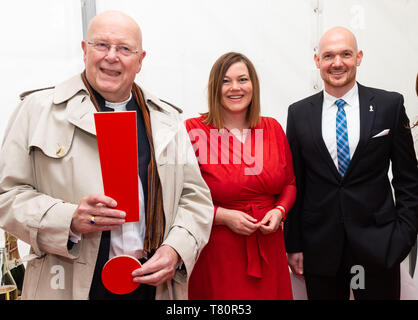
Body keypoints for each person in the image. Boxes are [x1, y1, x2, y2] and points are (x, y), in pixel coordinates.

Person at [0, 10, 213, 300]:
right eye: (101, 45)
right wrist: (68, 218)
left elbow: (194, 197)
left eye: (124, 48)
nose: (111, 56)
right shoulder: (38, 110)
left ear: (140, 60)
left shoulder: (167, 120)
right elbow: (7, 195)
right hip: (69, 284)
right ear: (84, 50)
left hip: (152, 285)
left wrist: (176, 248)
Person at [284, 26, 418, 300]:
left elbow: (408, 179)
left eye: (345, 54)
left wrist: (403, 236)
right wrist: (294, 244)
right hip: (320, 250)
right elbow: (296, 181)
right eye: (329, 55)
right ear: (317, 61)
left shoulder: (389, 105)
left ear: (358, 57)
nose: (337, 63)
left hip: (379, 247)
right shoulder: (298, 114)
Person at [185, 52, 296, 299]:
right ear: (215, 87)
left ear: (253, 86)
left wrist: (280, 211)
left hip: (270, 246)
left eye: (242, 79)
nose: (235, 88)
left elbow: (289, 183)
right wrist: (222, 216)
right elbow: (180, 196)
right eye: (226, 81)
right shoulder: (193, 130)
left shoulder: (273, 127)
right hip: (219, 251)